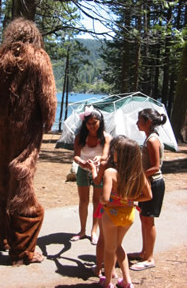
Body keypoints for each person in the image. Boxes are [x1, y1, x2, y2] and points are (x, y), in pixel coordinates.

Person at [0, 17, 57, 265]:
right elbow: (47, 93)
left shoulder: (0, 58)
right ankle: (22, 251)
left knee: (2, 181)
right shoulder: (39, 58)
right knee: (22, 180)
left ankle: (5, 238)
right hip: (27, 129)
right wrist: (49, 118)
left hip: (1, 130)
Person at [89, 136, 152, 288]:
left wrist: (115, 200)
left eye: (115, 151)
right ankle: (127, 281)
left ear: (120, 155)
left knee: (109, 250)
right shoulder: (139, 174)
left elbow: (103, 199)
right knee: (118, 246)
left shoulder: (110, 172)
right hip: (128, 215)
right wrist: (130, 198)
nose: (112, 152)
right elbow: (149, 195)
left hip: (111, 215)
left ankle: (107, 282)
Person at [129, 108, 167, 271]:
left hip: (153, 184)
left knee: (148, 220)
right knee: (144, 218)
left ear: (148, 122)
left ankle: (150, 258)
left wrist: (137, 175)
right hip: (146, 183)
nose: (137, 123)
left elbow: (156, 167)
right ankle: (144, 252)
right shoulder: (148, 138)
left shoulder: (152, 140)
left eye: (140, 120)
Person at [71, 105, 112, 245]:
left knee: (97, 201)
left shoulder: (106, 137)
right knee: (83, 201)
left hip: (99, 171)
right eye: (88, 123)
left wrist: (99, 159)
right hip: (83, 170)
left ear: (100, 122)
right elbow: (75, 156)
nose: (91, 126)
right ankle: (82, 230)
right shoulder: (80, 137)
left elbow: (105, 156)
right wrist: (82, 163)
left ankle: (94, 230)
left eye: (94, 123)